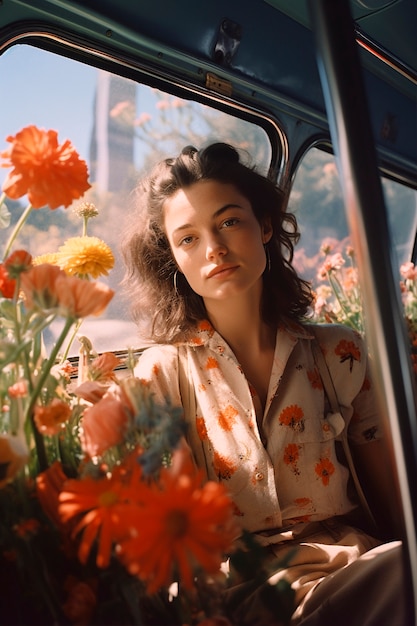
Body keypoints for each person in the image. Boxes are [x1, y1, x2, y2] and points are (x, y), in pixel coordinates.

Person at [122, 142, 407, 625]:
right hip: (243, 588)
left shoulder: (339, 352)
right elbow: (177, 530)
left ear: (266, 226)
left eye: (229, 221)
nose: (213, 248)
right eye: (187, 239)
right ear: (172, 258)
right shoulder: (162, 374)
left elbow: (394, 497)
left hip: (357, 567)